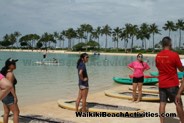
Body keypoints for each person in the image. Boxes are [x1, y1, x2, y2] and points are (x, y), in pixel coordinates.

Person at [155, 36, 184, 123]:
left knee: (162, 103)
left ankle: (162, 121)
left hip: (162, 83)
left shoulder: (158, 56)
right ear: (170, 44)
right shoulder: (174, 55)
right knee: (178, 103)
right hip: (172, 84)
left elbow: (158, 67)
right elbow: (181, 69)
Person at [1, 58, 20, 123]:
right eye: (13, 64)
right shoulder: (10, 74)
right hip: (9, 96)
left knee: (6, 113)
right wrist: (15, 97)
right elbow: (10, 87)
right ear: (9, 66)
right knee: (16, 113)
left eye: (15, 63)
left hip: (4, 95)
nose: (15, 65)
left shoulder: (5, 73)